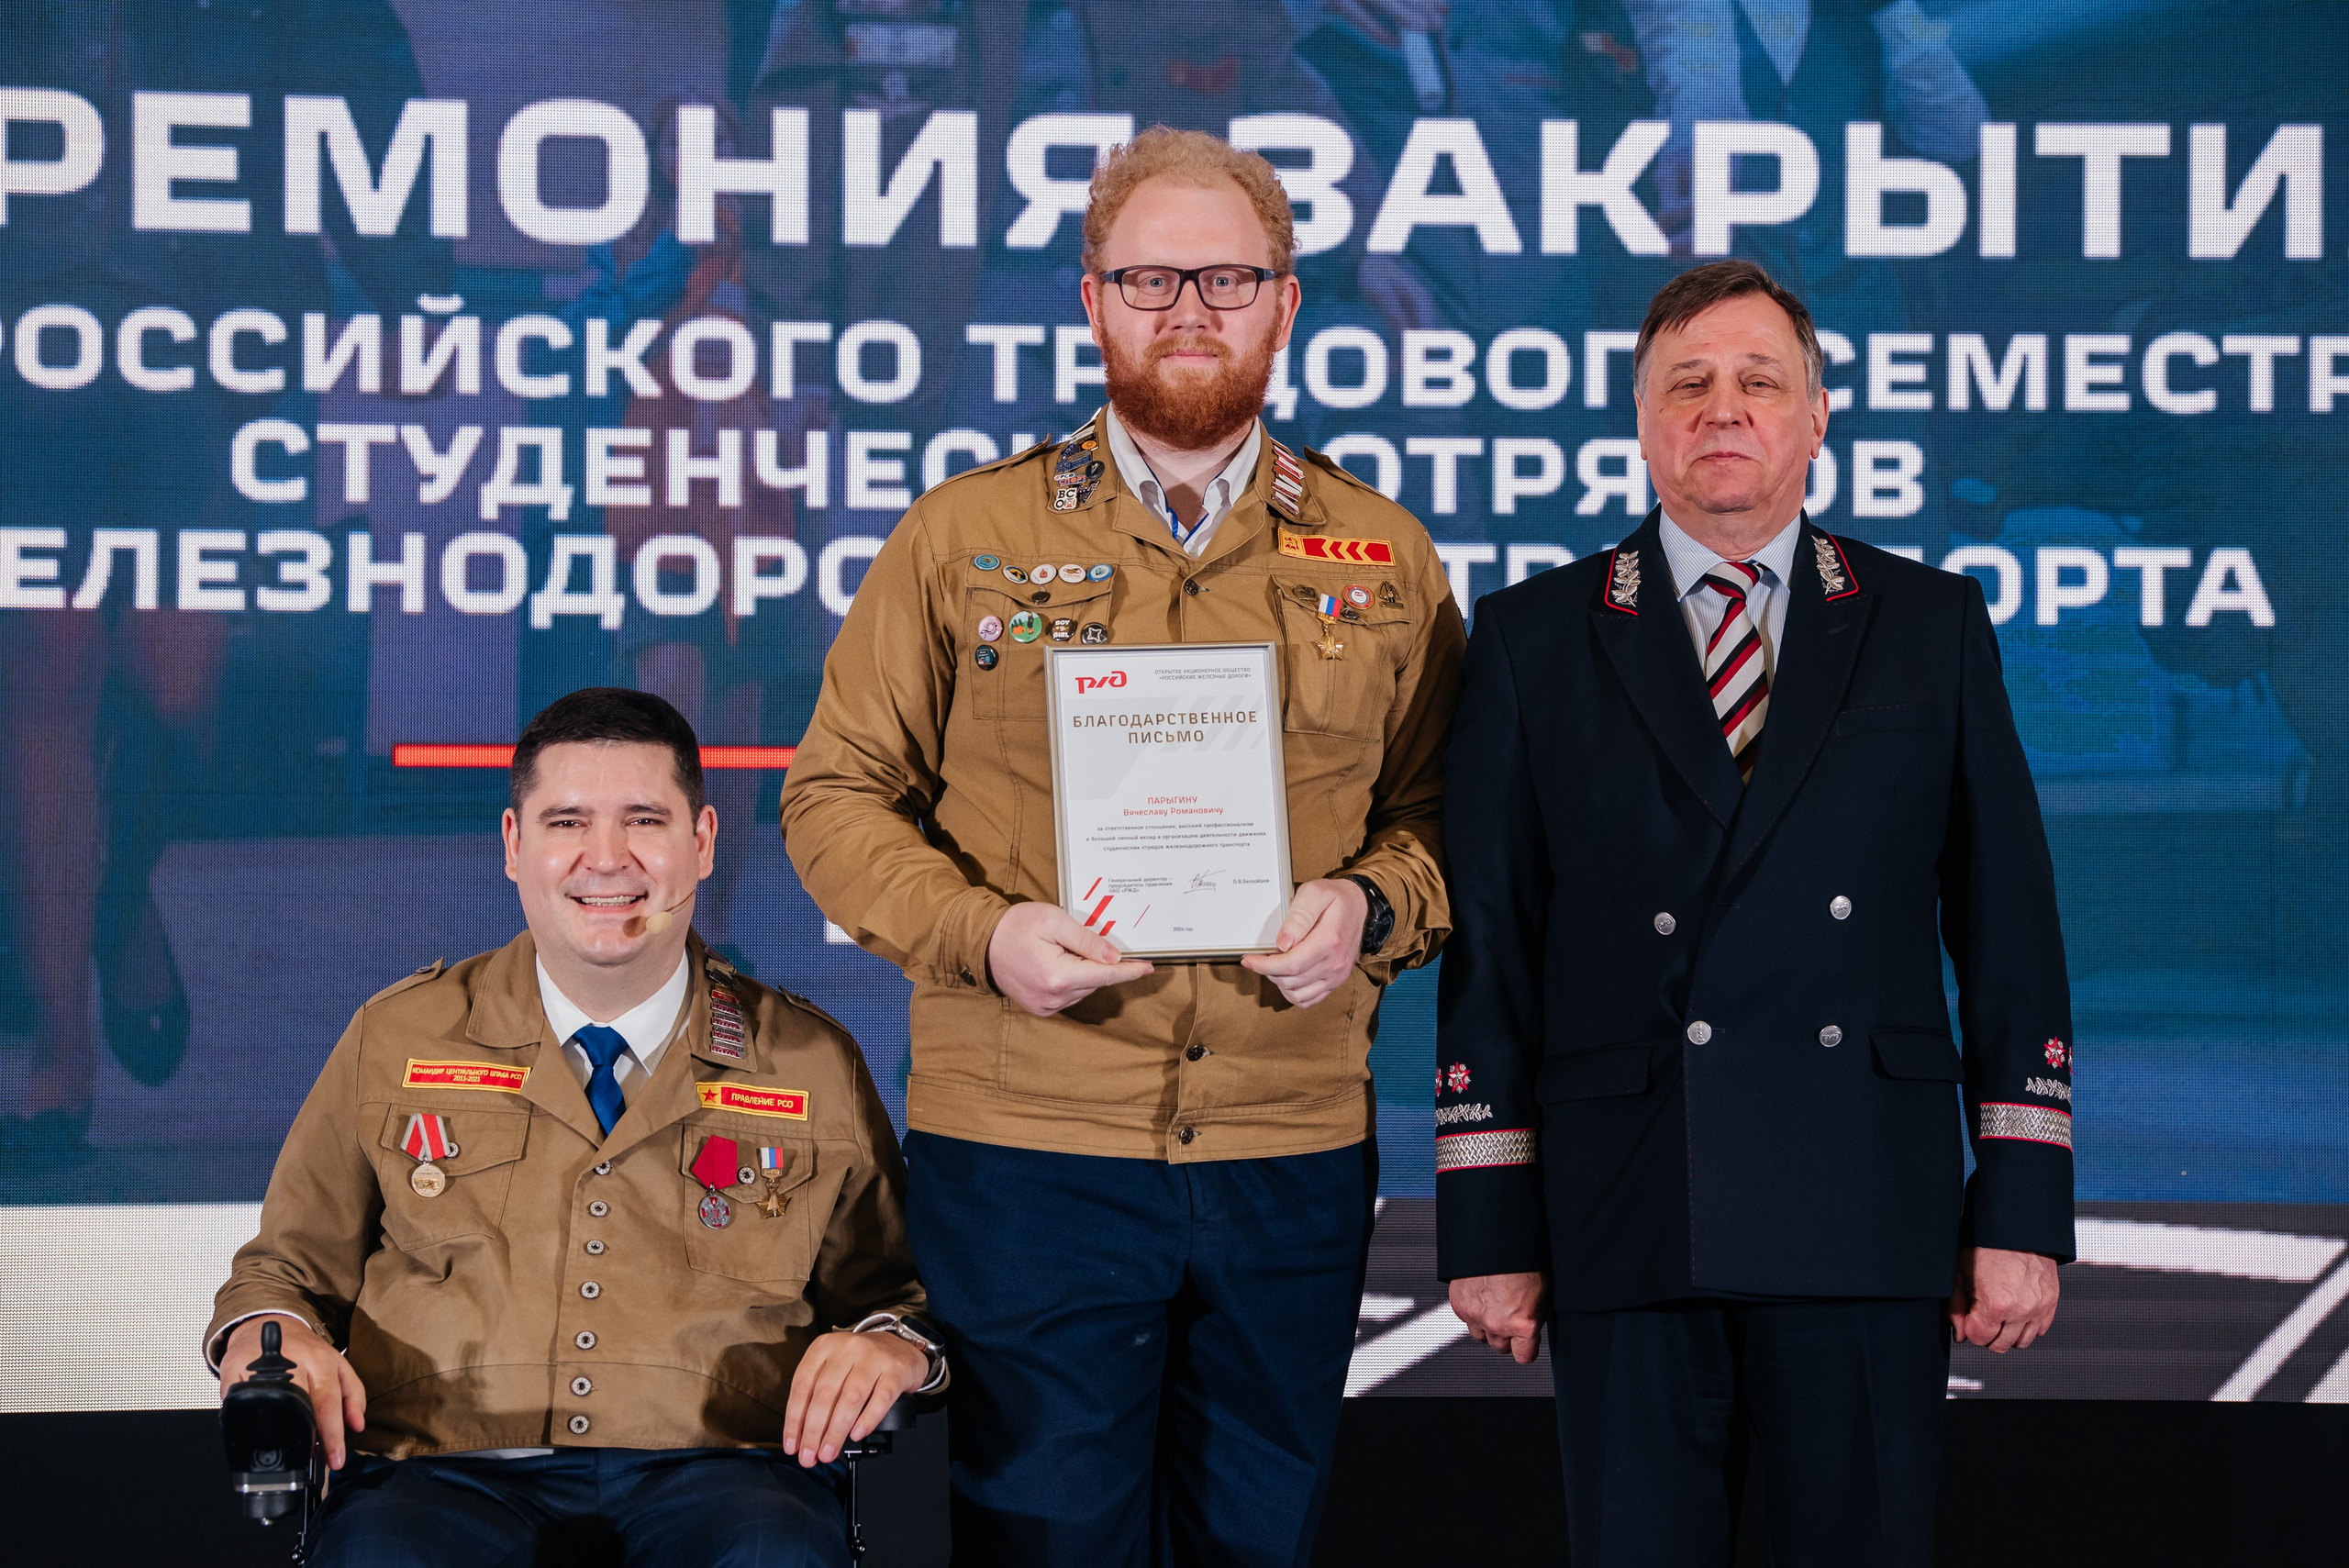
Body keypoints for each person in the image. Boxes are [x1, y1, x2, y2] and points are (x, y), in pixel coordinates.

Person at [780, 128, 1464, 1565]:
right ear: (1089, 301)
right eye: (1150, 278)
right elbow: (834, 796)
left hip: (1292, 1147)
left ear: (1288, 303)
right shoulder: (964, 536)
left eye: (1228, 277)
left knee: (1254, 1539)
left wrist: (1368, 904)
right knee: (1045, 1543)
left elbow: (1448, 824)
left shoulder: (1385, 555)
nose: (1190, 311)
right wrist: (984, 933)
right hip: (1030, 1146)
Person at [1437, 260, 2074, 1566]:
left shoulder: (1930, 621)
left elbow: (2009, 932)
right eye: (1689, 383)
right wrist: (1492, 1221)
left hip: (1867, 1208)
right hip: (1628, 1205)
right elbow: (1493, 949)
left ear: (1818, 414)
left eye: (1758, 380)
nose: (1722, 408)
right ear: (1642, 419)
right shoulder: (1531, 635)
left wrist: (2018, 1206)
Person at [206, 688, 941, 1568]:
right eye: (566, 821)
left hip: (726, 1469)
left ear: (703, 842)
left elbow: (897, 1299)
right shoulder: (397, 1036)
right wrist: (265, 1343)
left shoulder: (810, 1058)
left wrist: (891, 1348)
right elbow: (282, 1274)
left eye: (643, 819)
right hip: (438, 1469)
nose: (606, 859)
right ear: (514, 845)